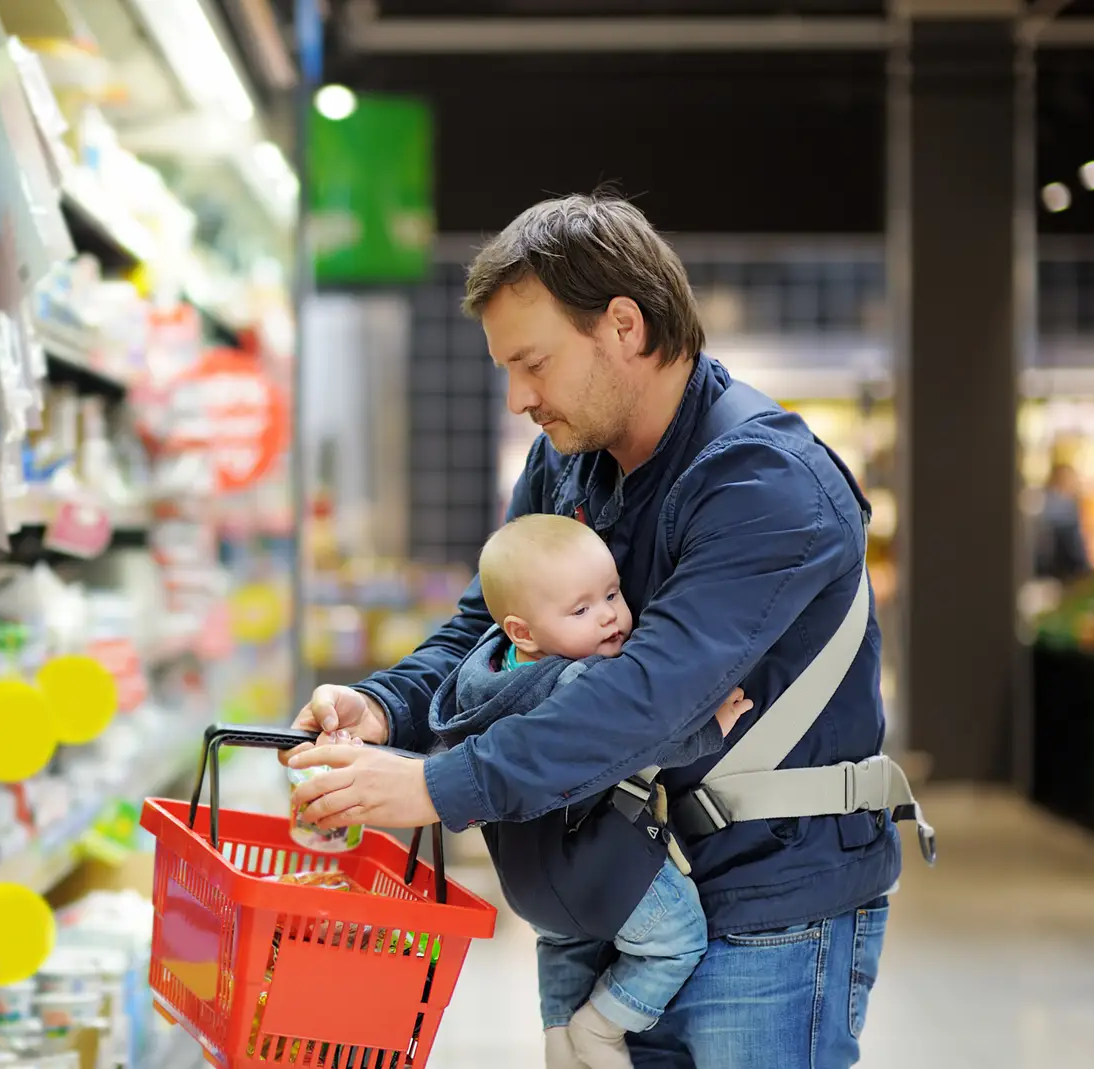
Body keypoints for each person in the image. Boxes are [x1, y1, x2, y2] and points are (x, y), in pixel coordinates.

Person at [285, 192, 913, 1068]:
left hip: (769, 912)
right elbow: (487, 631)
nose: (517, 398)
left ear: (624, 324)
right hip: (623, 889)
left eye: (532, 362)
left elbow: (647, 696)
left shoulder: (766, 483)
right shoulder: (569, 461)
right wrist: (381, 707)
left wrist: (434, 786)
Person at [446, 513, 751, 1068]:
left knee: (562, 942)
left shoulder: (481, 675)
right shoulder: (580, 681)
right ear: (523, 631)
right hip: (601, 870)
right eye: (581, 609)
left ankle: (559, 1036)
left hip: (528, 882)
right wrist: (711, 730)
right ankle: (600, 1027)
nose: (610, 615)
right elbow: (639, 740)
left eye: (611, 593)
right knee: (678, 940)